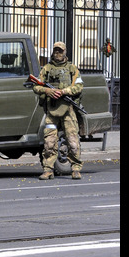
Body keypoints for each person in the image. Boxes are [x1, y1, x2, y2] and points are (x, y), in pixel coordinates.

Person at [33, 41, 84, 180]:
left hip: (68, 110)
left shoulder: (72, 69)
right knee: (49, 142)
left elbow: (79, 87)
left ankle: (75, 168)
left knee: (72, 141)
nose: (57, 53)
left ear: (65, 52)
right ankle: (48, 169)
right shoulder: (47, 69)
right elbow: (36, 87)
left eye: (60, 51)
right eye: (56, 50)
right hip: (52, 110)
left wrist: (64, 92)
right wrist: (47, 90)